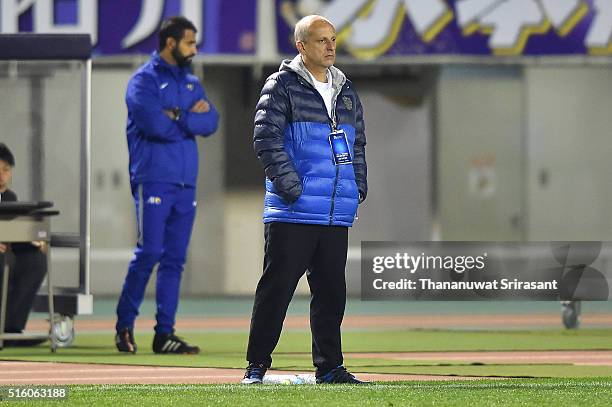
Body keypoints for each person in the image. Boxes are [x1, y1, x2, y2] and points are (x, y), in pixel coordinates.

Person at [242, 15, 368, 384]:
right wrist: (292, 188)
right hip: (293, 211)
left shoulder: (345, 90)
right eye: (321, 40)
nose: (330, 46)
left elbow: (356, 143)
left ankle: (330, 366)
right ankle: (256, 366)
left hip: (333, 212)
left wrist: (357, 185)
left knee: (331, 295)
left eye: (333, 39)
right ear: (301, 46)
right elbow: (266, 139)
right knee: (276, 291)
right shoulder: (281, 85)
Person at [115, 16, 219, 354]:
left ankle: (165, 334)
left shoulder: (190, 83)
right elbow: (155, 126)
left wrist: (178, 116)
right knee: (149, 253)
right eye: (190, 42)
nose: (195, 48)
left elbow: (211, 121)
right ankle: (124, 327)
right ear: (170, 43)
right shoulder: (143, 82)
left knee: (174, 259)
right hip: (154, 179)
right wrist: (189, 120)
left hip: (185, 183)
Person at [0, 143, 48, 347]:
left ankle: (11, 329)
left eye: (6, 170)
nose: (2, 175)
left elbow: (13, 234)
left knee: (35, 261)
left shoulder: (10, 199)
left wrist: (33, 242)